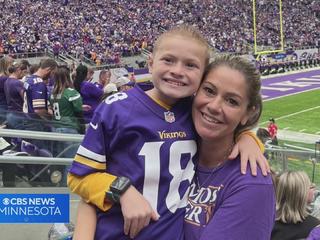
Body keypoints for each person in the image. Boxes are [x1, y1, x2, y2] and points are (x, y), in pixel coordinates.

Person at [68, 25, 268, 240]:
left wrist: (248, 138)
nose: (178, 71)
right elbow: (78, 178)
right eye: (168, 60)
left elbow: (225, 126)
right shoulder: (116, 109)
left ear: (201, 76)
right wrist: (123, 190)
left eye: (190, 65)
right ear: (151, 62)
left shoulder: (192, 110)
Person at [184, 55, 275, 240]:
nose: (214, 106)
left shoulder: (252, 183)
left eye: (232, 101)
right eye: (209, 90)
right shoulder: (171, 147)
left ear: (248, 114)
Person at [271, 171, 320, 240]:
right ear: (301, 194)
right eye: (311, 186)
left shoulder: (267, 223)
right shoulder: (314, 228)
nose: (314, 189)